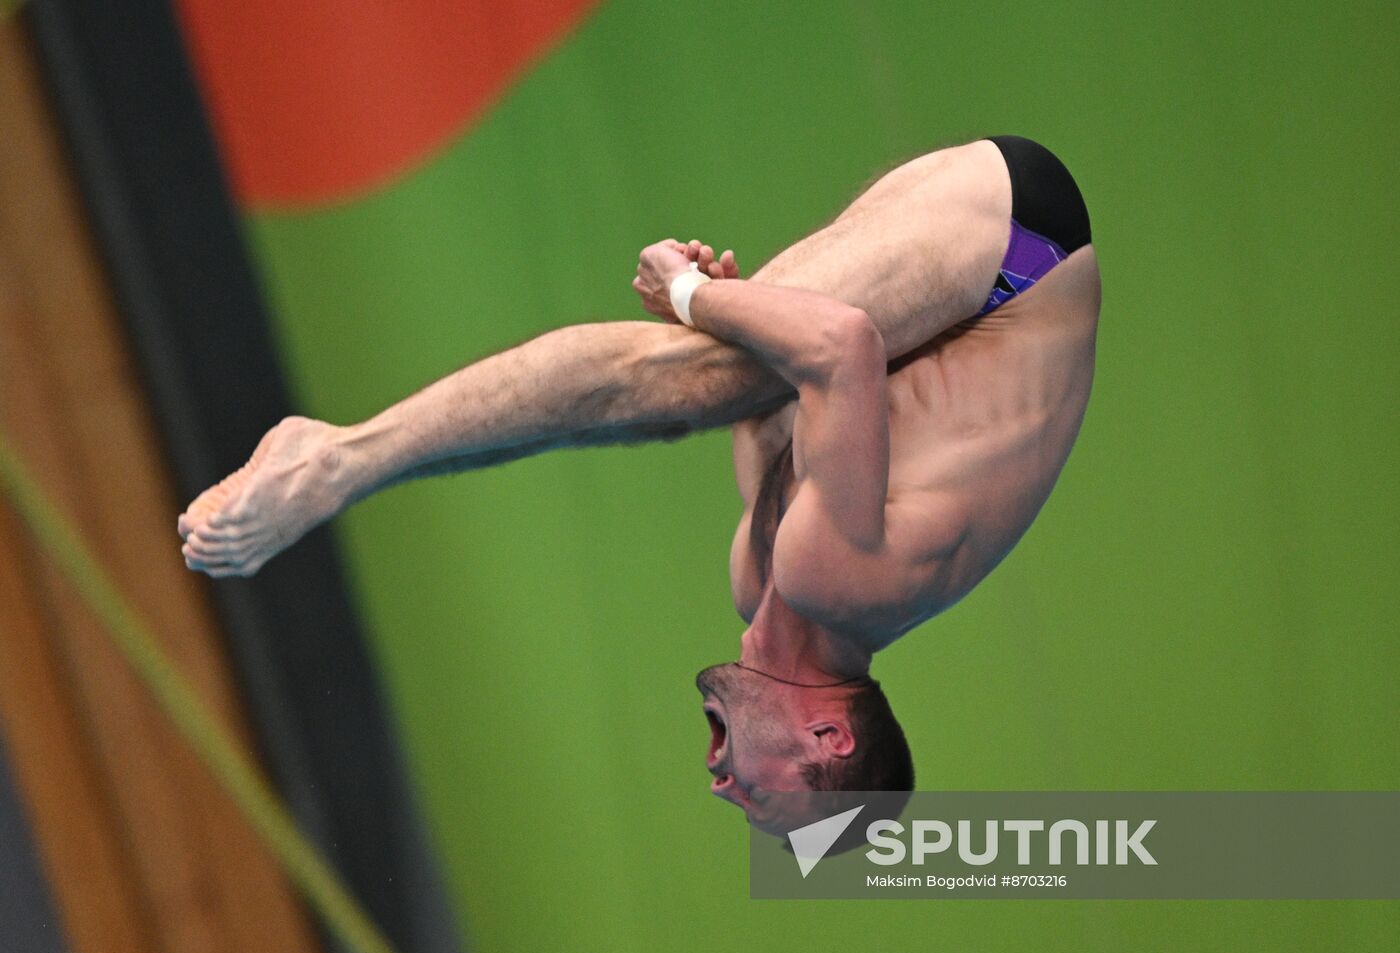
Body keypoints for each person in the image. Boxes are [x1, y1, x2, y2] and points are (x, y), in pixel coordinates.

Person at [178, 136, 1100, 837]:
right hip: (1019, 258)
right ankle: (337, 460)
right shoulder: (845, 584)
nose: (722, 784)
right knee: (682, 380)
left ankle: (353, 463)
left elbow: (777, 412)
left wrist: (735, 316)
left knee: (709, 378)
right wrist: (696, 297)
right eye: (758, 797)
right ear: (831, 741)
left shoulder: (761, 578)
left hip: (987, 249)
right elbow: (845, 346)